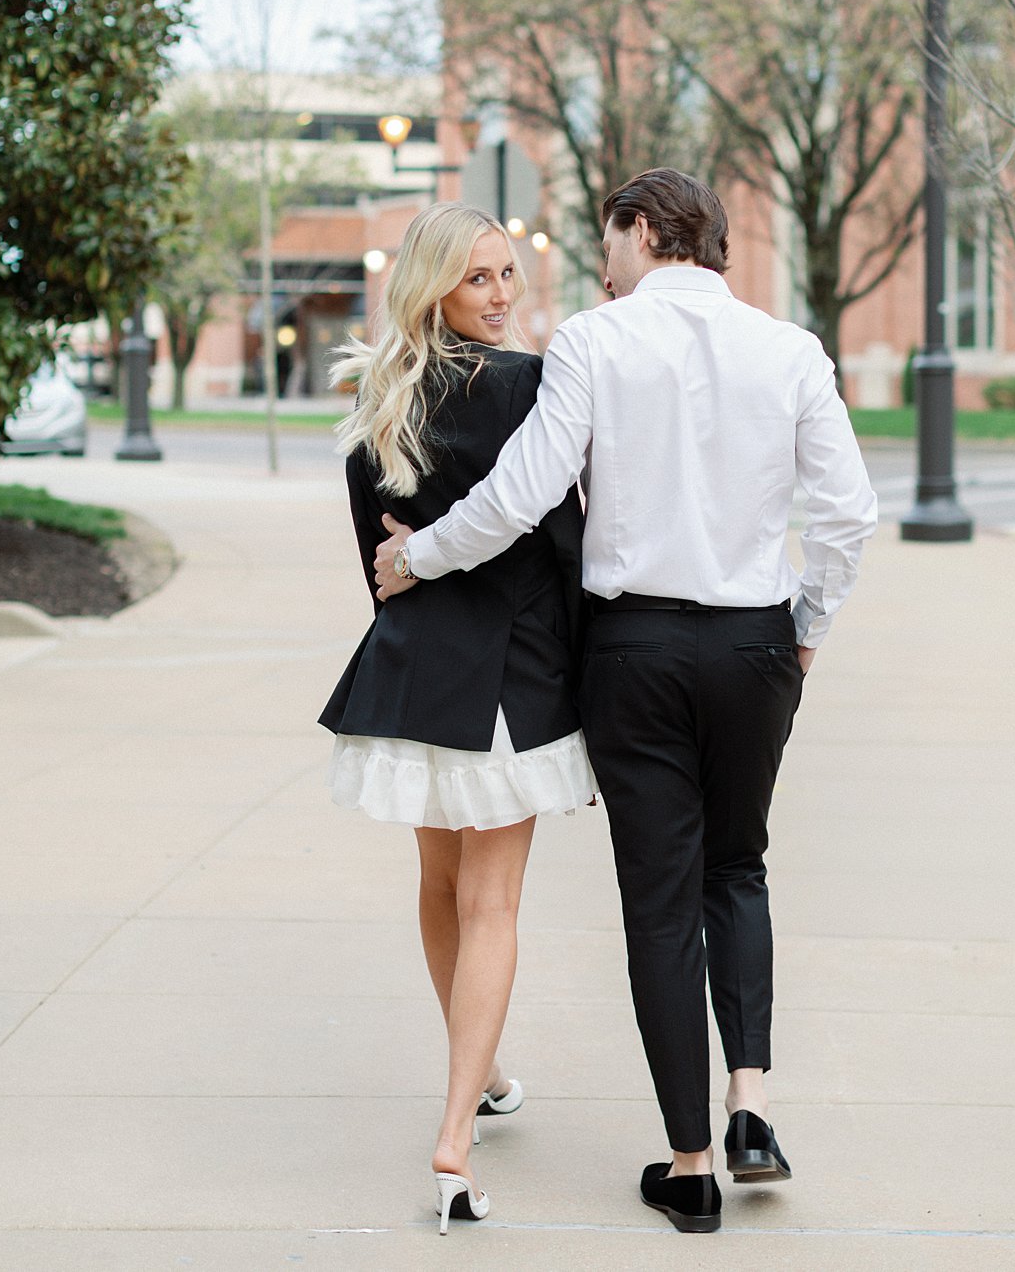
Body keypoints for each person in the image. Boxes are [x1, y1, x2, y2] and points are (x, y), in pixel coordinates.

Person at [374, 168, 878, 1234]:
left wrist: (420, 553)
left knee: (659, 902)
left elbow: (520, 496)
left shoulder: (595, 347)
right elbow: (847, 515)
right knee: (737, 868)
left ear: (643, 232)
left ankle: (690, 1168)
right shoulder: (789, 351)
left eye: (607, 244)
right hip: (754, 644)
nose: (598, 268)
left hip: (635, 648)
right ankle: (751, 1100)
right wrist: (806, 631)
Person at [319, 202, 594, 1235]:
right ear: (436, 285)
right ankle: (454, 1136)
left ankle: (477, 1077)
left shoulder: (379, 392)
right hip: (510, 680)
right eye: (479, 277)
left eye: (508, 274)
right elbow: (565, 541)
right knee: (492, 903)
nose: (502, 293)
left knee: (439, 886)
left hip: (415, 668)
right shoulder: (532, 386)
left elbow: (378, 563)